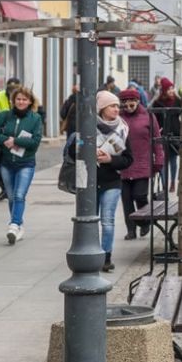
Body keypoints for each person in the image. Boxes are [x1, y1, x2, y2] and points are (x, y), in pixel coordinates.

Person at [67, 91, 132, 272]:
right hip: (88, 181)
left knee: (107, 220)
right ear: (102, 108)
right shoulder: (87, 127)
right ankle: (90, 252)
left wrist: (110, 159)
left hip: (111, 181)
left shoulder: (122, 129)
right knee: (89, 220)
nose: (117, 109)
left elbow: (128, 159)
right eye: (113, 106)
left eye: (118, 106)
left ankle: (105, 257)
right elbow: (73, 152)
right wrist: (88, 152)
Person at [0, 86, 42, 244]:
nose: (21, 102)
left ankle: (13, 225)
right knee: (11, 196)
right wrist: (6, 140)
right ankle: (18, 224)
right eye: (18, 99)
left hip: (26, 163)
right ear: (13, 100)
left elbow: (35, 141)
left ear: (30, 101)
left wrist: (16, 141)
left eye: (24, 99)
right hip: (6, 163)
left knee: (20, 195)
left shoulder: (35, 118)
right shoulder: (4, 116)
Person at [118, 87, 164, 241]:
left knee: (140, 195)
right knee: (126, 199)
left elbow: (157, 140)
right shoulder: (118, 118)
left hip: (143, 163)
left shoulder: (148, 116)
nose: (128, 108)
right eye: (125, 105)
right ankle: (130, 230)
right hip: (123, 164)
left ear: (138, 102)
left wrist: (159, 159)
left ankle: (144, 221)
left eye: (131, 104)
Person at [0, 77, 22, 201]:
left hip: (20, 136)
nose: (12, 91)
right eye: (10, 89)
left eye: (15, 89)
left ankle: (17, 188)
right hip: (4, 136)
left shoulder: (26, 96)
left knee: (19, 163)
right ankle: (4, 189)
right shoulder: (0, 96)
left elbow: (38, 113)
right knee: (1, 163)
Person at [150, 77, 181, 192]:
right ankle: (164, 184)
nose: (171, 91)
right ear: (163, 90)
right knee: (163, 160)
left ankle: (172, 182)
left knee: (173, 160)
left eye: (172, 88)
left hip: (175, 134)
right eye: (169, 89)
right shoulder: (157, 103)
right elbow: (152, 116)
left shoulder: (178, 100)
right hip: (162, 134)